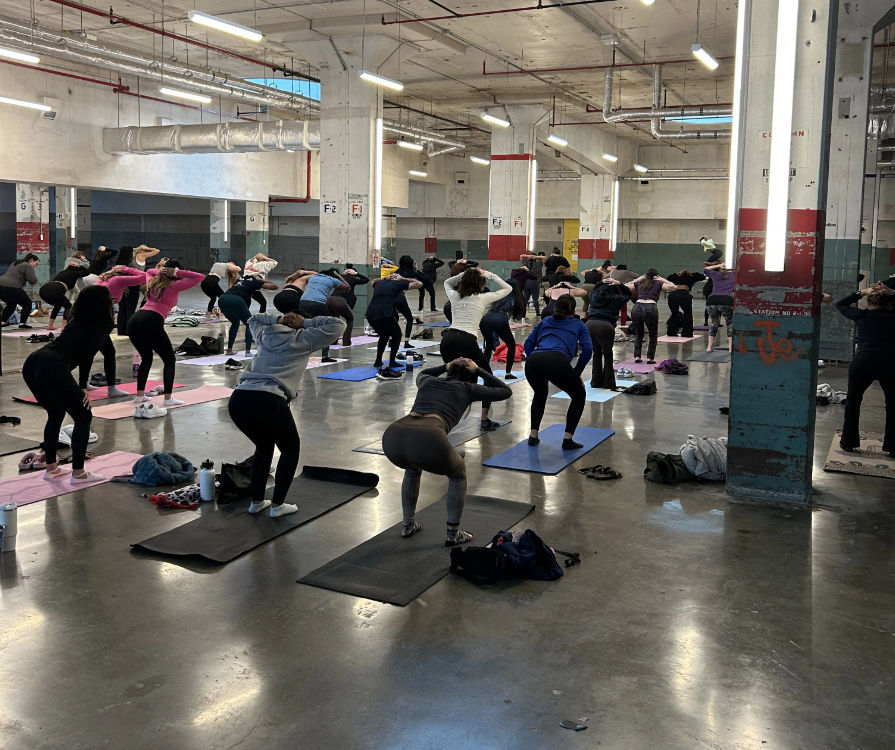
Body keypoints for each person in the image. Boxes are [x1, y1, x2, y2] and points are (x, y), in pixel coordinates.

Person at [382, 357, 512, 545]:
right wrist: (479, 371)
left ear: (449, 372)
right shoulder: (468, 388)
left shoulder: (428, 381)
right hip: (429, 437)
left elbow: (423, 373)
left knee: (413, 467)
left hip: (394, 436)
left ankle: (408, 525)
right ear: (471, 377)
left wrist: (445, 366)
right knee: (458, 474)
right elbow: (505, 391)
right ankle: (453, 534)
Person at [229, 311, 346, 517]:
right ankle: (277, 506)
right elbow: (338, 325)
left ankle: (256, 502)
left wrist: (277, 320)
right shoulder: (304, 338)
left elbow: (252, 318)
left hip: (239, 399)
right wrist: (307, 322)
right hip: (269, 399)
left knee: (263, 447)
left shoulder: (264, 335)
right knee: (290, 449)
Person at [21, 286, 115, 483]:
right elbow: (87, 355)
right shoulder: (103, 323)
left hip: (33, 362)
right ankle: (79, 473)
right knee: (83, 416)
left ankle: (52, 468)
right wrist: (82, 387)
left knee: (55, 413)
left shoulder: (76, 318)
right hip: (52, 365)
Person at [126, 259, 204, 415]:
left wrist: (162, 271)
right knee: (169, 360)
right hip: (152, 320)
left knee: (146, 358)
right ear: (176, 272)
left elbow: (149, 271)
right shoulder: (174, 285)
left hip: (135, 320)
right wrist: (176, 273)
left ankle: (140, 396)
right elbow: (200, 277)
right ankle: (168, 398)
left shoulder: (153, 281)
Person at [442, 267, 512, 430]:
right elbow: (507, 288)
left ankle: (444, 418)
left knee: (453, 378)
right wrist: (489, 274)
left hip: (448, 339)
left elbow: (447, 282)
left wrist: (463, 274)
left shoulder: (454, 296)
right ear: (481, 284)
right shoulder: (483, 298)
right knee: (487, 377)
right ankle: (485, 420)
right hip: (466, 340)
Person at [523, 295, 593, 450]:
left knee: (540, 394)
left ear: (555, 309)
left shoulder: (545, 321)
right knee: (579, 395)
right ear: (574, 311)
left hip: (533, 361)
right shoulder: (578, 324)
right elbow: (588, 350)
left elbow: (528, 344)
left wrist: (532, 359)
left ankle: (533, 436)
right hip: (557, 359)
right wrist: (576, 373)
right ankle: (568, 440)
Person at [835, 283, 895, 454]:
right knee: (892, 404)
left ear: (869, 302)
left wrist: (861, 292)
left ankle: (848, 442)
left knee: (853, 402)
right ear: (888, 303)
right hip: (890, 361)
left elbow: (840, 304)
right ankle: (892, 446)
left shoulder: (861, 316)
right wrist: (892, 291)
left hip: (863, 361)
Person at [93, 265, 147, 395]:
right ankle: (110, 388)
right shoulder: (118, 280)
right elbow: (146, 276)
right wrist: (127, 269)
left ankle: (85, 384)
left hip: (94, 316)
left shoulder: (102, 278)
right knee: (105, 352)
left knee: (96, 352)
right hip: (98, 320)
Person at [366, 273, 423, 379]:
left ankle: (378, 361)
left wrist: (385, 278)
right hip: (384, 314)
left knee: (384, 335)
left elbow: (372, 281)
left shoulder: (379, 283)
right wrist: (403, 278)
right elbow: (419, 284)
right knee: (396, 335)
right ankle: (392, 362)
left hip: (370, 314)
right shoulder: (398, 284)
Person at [219, 272, 279, 356]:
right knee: (249, 323)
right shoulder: (254, 280)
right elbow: (275, 286)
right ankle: (247, 352)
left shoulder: (240, 279)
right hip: (236, 300)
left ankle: (229, 350)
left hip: (222, 299)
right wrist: (261, 280)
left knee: (235, 323)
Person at [587, 277, 631, 390]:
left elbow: (593, 289)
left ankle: (595, 382)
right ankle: (608, 382)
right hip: (605, 326)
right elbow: (629, 294)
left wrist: (601, 282)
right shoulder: (617, 298)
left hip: (590, 324)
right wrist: (620, 284)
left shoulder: (594, 296)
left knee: (596, 353)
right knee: (608, 355)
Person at [626, 269, 676, 364]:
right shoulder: (659, 284)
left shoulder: (639, 283)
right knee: (652, 335)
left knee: (639, 334)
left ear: (645, 275)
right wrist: (662, 279)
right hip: (650, 307)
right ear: (656, 276)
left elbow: (624, 287)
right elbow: (674, 287)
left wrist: (637, 280)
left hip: (637, 307)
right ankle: (650, 358)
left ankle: (637, 356)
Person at [480, 279, 526, 379]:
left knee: (488, 346)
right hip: (500, 319)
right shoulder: (515, 297)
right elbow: (518, 316)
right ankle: (508, 373)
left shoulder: (499, 295)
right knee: (511, 346)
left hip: (485, 318)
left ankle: (485, 372)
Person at [116, 245, 159, 335]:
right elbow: (156, 250)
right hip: (132, 286)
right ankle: (129, 330)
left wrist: (136, 249)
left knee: (122, 309)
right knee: (130, 309)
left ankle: (121, 331)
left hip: (120, 287)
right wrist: (144, 248)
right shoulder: (134, 262)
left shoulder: (118, 262)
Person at [38, 261, 93, 329]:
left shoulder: (62, 272)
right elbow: (88, 272)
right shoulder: (74, 273)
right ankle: (64, 326)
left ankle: (50, 325)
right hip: (56, 289)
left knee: (58, 305)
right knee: (68, 306)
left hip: (43, 290)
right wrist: (79, 266)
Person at [0, 253, 40, 328]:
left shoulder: (15, 263)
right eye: (36, 263)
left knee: (11, 304)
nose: (35, 266)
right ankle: (22, 324)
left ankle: (2, 322)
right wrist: (32, 272)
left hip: (1, 285)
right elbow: (33, 280)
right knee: (27, 304)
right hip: (12, 287)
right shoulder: (27, 265)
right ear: (31, 261)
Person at [703, 263, 736, 353]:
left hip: (712, 300)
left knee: (714, 323)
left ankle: (709, 347)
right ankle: (730, 348)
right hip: (726, 301)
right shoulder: (733, 275)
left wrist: (718, 265)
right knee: (730, 324)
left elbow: (705, 269)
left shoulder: (715, 274)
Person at [665, 269, 706, 337]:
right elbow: (702, 277)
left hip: (673, 295)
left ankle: (671, 332)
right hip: (684, 294)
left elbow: (669, 277)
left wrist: (677, 273)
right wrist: (692, 273)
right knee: (688, 314)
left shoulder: (676, 277)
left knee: (674, 313)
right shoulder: (691, 277)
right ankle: (687, 333)